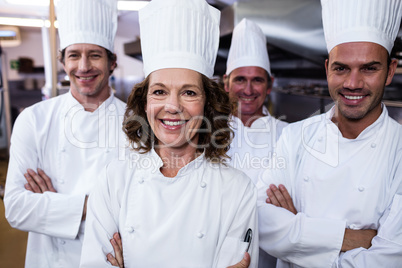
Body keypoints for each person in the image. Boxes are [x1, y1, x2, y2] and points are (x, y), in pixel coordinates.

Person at [79, 0, 258, 267]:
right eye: (160, 91)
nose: (172, 107)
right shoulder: (114, 180)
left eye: (189, 92)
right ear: (145, 102)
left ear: (208, 104)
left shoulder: (237, 189)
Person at [257, 0, 402, 267]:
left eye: (369, 68)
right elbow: (261, 221)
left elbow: (390, 258)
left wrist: (297, 231)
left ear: (390, 71)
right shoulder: (294, 136)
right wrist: (352, 239)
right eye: (341, 68)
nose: (353, 83)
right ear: (327, 70)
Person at [3, 0, 126, 267]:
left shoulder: (136, 123)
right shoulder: (34, 120)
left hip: (113, 259)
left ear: (112, 62)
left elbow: (141, 207)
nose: (83, 67)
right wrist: (90, 206)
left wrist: (53, 204)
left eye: (95, 55)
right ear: (62, 61)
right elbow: (16, 209)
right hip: (49, 260)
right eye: (73, 55)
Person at [223, 18, 288, 268]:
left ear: (270, 84)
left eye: (257, 80)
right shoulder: (206, 135)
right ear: (226, 82)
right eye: (240, 79)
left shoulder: (288, 136)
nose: (248, 89)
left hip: (271, 258)